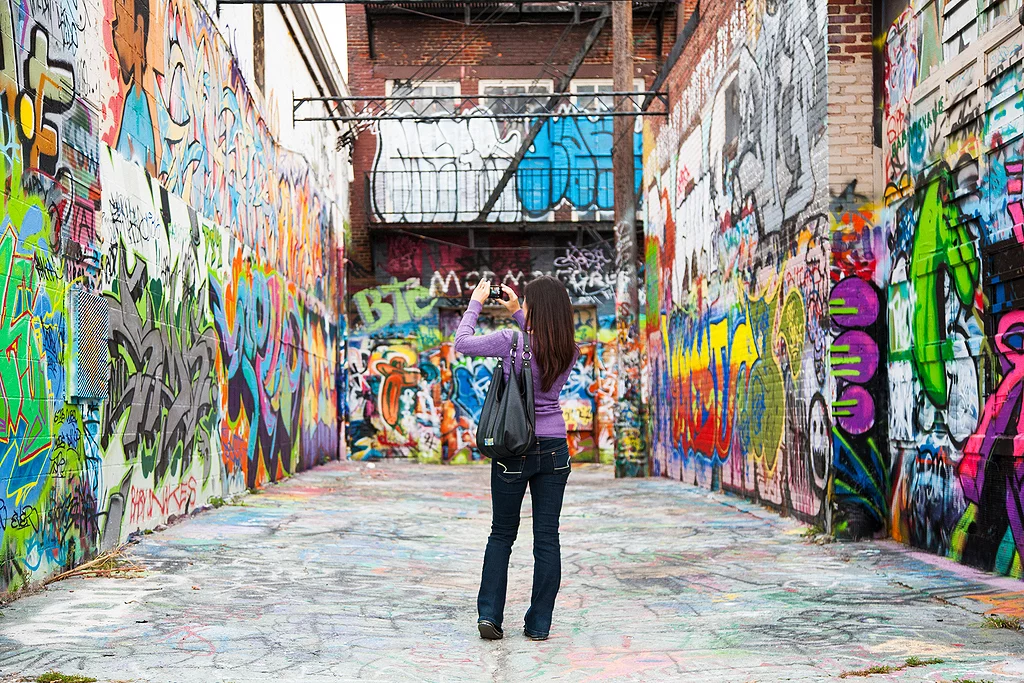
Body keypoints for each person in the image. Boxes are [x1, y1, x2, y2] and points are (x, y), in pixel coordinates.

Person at [454, 276, 579, 642]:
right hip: (554, 447)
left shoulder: (510, 341)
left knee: (502, 534)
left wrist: (477, 302)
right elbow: (542, 342)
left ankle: (490, 615)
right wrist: (517, 312)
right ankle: (539, 624)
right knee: (547, 538)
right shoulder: (570, 349)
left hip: (514, 444)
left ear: (535, 308)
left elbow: (462, 343)